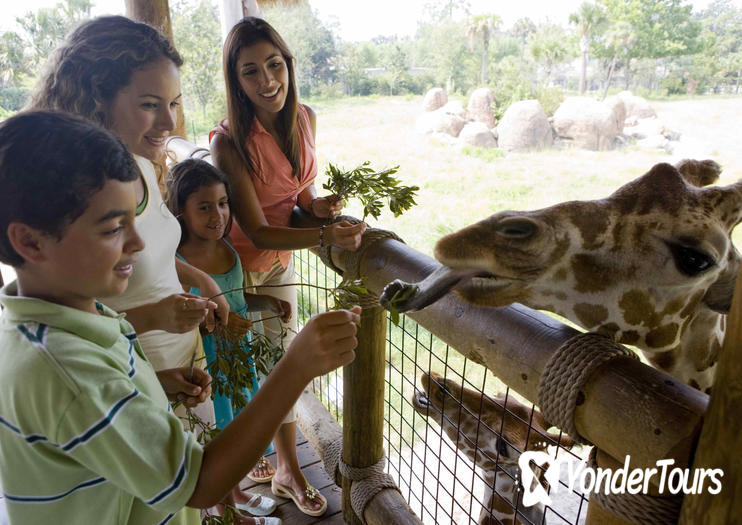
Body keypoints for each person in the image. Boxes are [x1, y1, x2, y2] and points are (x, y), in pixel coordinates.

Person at [0, 110, 360, 525]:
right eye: (112, 228)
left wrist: (153, 384)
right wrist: (295, 367)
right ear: (29, 241)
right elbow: (199, 482)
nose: (137, 243)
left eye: (133, 221)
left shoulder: (65, 318)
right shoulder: (68, 376)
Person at [26, 15, 267, 521]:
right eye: (149, 105)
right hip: (127, 370)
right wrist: (155, 325)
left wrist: (197, 278)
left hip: (164, 364)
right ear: (97, 99)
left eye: (174, 104)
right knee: (162, 491)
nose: (169, 123)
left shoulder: (136, 165)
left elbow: (154, 249)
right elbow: (70, 328)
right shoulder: (85, 194)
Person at [210, 17, 365, 516]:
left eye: (274, 65)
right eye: (250, 72)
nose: (267, 81)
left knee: (281, 361)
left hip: (282, 259)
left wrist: (316, 208)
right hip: (239, 269)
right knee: (250, 368)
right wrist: (322, 235)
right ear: (237, 81)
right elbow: (255, 229)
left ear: (288, 65)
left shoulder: (305, 118)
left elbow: (296, 196)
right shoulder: (227, 142)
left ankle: (282, 468)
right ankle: (254, 475)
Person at [168, 158, 291, 518]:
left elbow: (234, 298)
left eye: (222, 204)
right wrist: (219, 325)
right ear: (180, 210)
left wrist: (266, 300)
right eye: (204, 207)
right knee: (218, 434)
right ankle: (225, 510)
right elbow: (187, 317)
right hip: (208, 364)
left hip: (238, 360)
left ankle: (234, 493)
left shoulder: (226, 249)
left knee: (237, 427)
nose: (217, 215)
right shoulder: (177, 261)